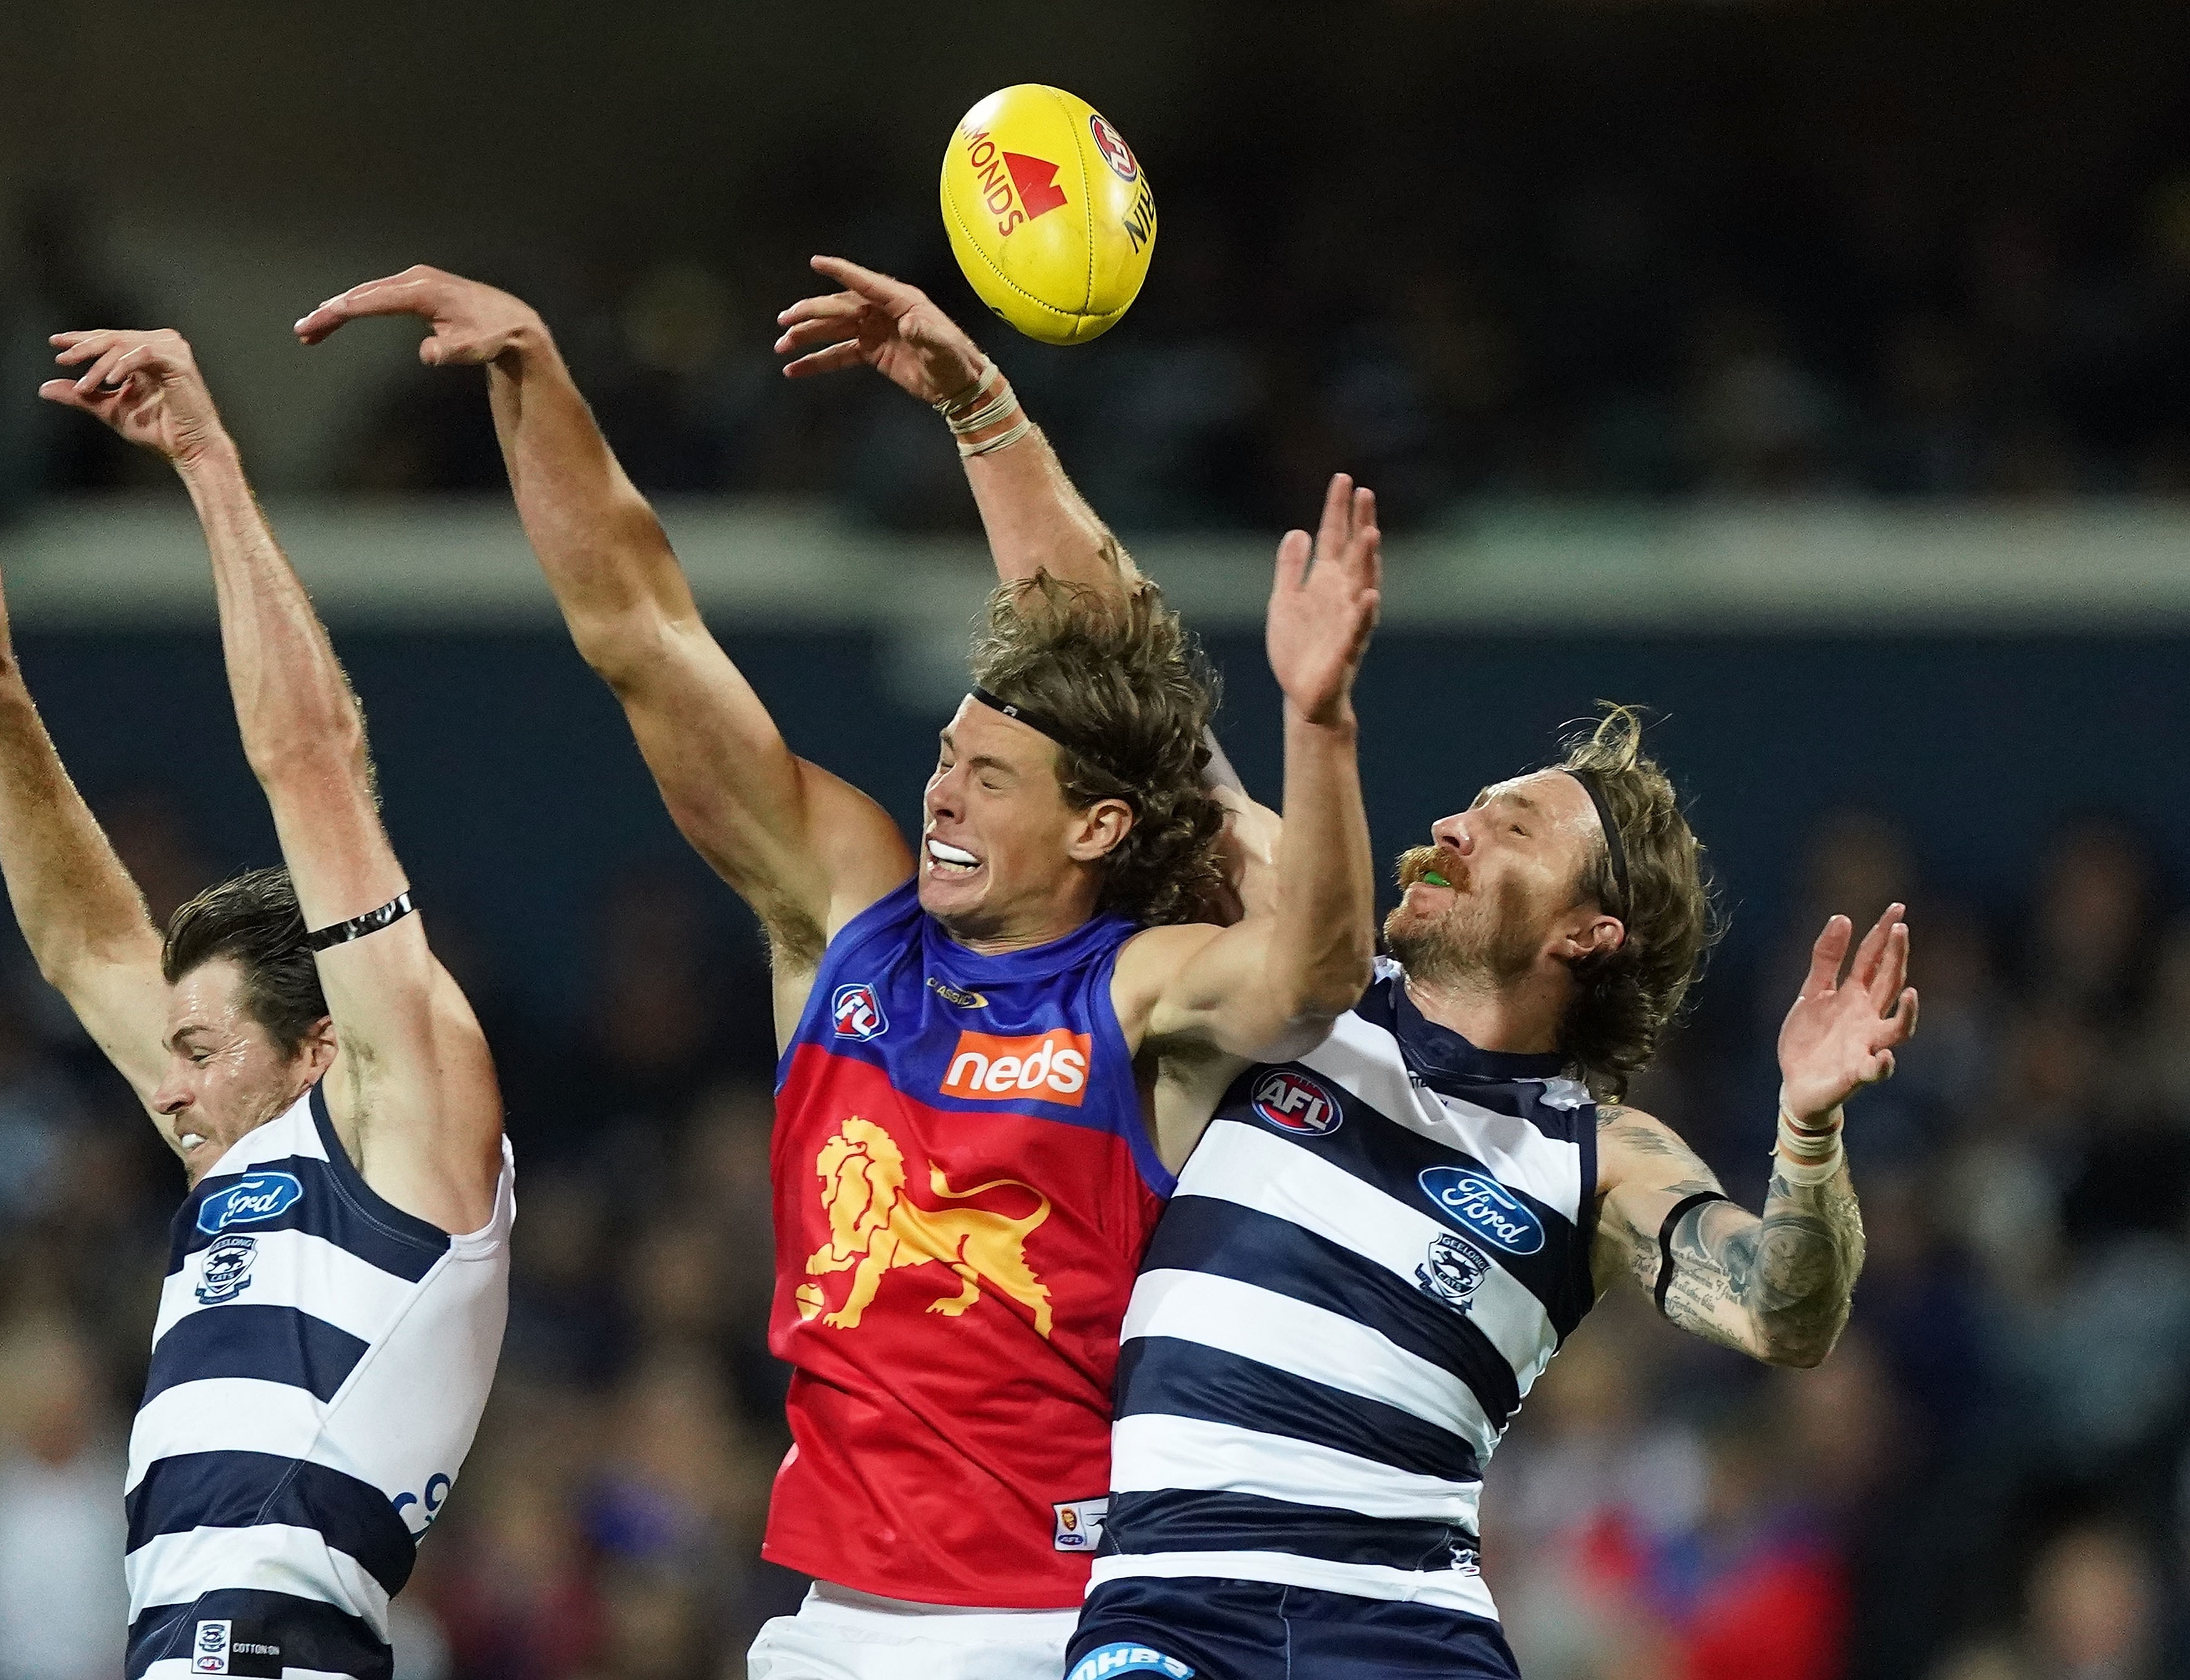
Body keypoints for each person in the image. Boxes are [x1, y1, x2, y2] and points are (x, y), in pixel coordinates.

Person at [768, 260, 1916, 1680]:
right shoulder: (1293, 991)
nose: (1455, 827)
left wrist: (1806, 1133)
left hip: (1403, 1624)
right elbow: (1114, 653)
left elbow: (1780, 1310)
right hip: (1172, 1610)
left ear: (1589, 932)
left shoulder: (1594, 1156)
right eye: (1471, 805)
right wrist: (981, 405)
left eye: (1510, 828)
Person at [293, 265, 1382, 1679]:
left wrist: (1319, 722)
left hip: (1064, 1623)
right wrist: (534, 379)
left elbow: (1317, 968)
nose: (943, 794)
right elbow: (644, 637)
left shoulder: (1142, 988)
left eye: (991, 778)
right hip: (830, 1624)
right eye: (945, 757)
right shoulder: (847, 922)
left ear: (1097, 827)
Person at [0, 325, 513, 1680]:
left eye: (203, 1050)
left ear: (318, 1046)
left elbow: (310, 759)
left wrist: (207, 460)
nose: (165, 1087)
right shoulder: (252, 1152)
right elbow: (81, 941)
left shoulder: (403, 1122)